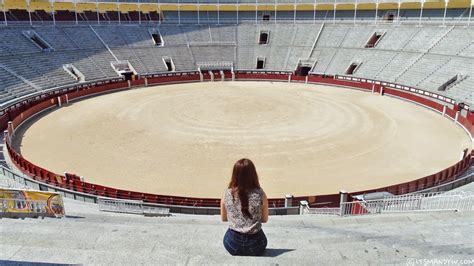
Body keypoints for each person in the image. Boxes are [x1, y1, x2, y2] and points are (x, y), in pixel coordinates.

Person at [220, 158, 269, 256]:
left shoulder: (227, 193)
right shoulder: (260, 194)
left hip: (232, 244)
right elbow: (264, 220)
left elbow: (224, 219)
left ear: (234, 174)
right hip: (256, 246)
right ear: (253, 174)